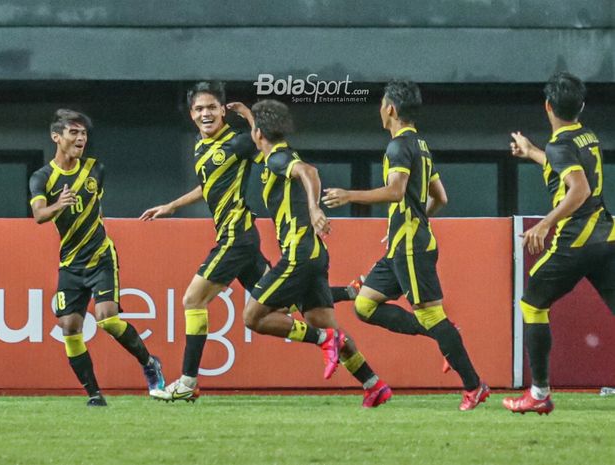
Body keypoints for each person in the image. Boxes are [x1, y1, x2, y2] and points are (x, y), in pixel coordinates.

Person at [140, 82, 359, 402]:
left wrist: (249, 117)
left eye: (212, 107)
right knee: (282, 303)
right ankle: (350, 295)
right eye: (199, 109)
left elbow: (267, 145)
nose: (205, 114)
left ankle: (187, 381)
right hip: (243, 240)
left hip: (236, 238)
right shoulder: (201, 148)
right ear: (191, 114)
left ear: (223, 111)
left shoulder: (238, 142)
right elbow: (209, 185)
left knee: (192, 301)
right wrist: (172, 206)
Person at [322, 80, 489, 411]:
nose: (380, 110)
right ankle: (445, 333)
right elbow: (440, 197)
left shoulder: (398, 147)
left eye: (382, 104)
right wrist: (409, 219)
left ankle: (474, 385)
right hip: (403, 244)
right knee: (365, 305)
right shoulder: (421, 146)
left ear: (391, 109)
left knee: (430, 316)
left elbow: (396, 191)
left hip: (411, 248)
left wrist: (349, 195)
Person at [231, 99, 391, 408]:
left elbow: (309, 171)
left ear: (260, 134)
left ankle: (324, 341)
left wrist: (315, 207)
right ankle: (374, 385)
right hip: (315, 255)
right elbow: (268, 139)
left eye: (255, 129)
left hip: (299, 254)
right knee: (327, 324)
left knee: (253, 317)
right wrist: (250, 116)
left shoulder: (279, 158)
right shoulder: (275, 149)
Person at [29, 109, 165, 406]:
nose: (80, 139)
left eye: (83, 134)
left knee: (107, 319)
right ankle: (94, 394)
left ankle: (149, 363)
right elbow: (39, 214)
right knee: (70, 328)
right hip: (71, 263)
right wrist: (58, 205)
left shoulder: (95, 169)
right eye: (73, 133)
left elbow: (94, 208)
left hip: (101, 255)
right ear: (57, 137)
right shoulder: (42, 177)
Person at [503, 72, 615, 414]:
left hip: (576, 240)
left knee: (532, 303)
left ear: (547, 106)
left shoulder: (560, 144)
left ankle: (538, 393)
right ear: (579, 106)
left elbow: (578, 189)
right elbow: (568, 168)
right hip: (607, 237)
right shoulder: (586, 136)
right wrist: (533, 152)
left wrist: (545, 224)